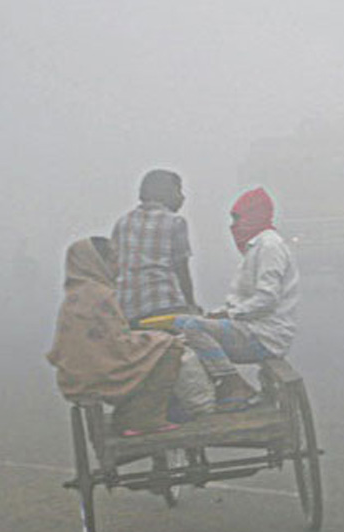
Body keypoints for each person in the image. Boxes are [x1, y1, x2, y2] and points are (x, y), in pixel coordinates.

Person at [172, 187, 300, 409]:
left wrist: (229, 314)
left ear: (254, 216)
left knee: (192, 327)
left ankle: (232, 384)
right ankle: (225, 386)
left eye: (238, 218)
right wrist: (220, 313)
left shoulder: (269, 247)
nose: (233, 225)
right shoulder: (257, 247)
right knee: (181, 324)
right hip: (250, 329)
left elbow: (267, 299)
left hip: (264, 337)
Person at [47, 237, 182, 436]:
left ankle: (128, 414)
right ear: (98, 264)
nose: (119, 267)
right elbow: (119, 346)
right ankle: (146, 418)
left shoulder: (75, 294)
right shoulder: (100, 294)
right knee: (170, 347)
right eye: (114, 260)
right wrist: (160, 338)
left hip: (75, 375)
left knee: (153, 343)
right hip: (100, 373)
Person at [111, 169, 199, 326]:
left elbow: (113, 267)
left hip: (127, 309)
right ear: (165, 193)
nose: (183, 197)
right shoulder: (175, 222)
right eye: (179, 190)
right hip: (164, 304)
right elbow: (181, 269)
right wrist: (191, 306)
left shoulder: (123, 222)